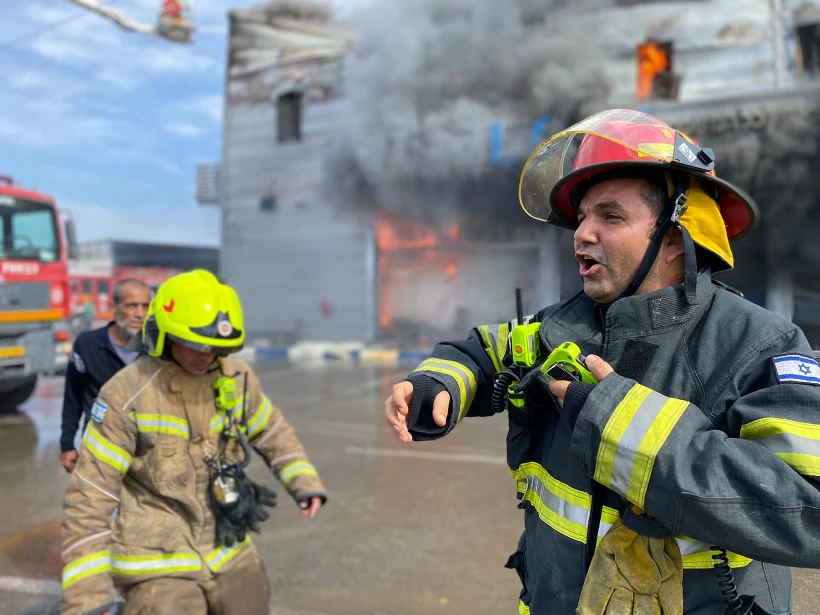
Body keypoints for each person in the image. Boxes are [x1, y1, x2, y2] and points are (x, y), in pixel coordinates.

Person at [385, 109, 820, 615]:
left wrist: (618, 421)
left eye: (610, 217)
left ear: (676, 239)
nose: (582, 233)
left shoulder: (759, 342)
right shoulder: (563, 326)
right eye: (583, 217)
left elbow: (805, 509)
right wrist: (440, 383)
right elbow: (483, 351)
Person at [60, 270, 327, 615]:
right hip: (156, 559)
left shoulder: (236, 377)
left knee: (251, 600)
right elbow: (89, 497)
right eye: (198, 345)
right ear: (165, 336)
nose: (208, 356)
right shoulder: (125, 395)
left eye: (217, 347)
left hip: (226, 544)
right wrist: (88, 600)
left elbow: (271, 429)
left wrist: (304, 483)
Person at [60, 279, 152, 473]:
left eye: (145, 306)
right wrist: (67, 444)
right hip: (99, 447)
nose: (140, 314)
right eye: (132, 306)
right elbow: (73, 397)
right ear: (114, 307)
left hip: (146, 451)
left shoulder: (157, 348)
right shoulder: (87, 345)